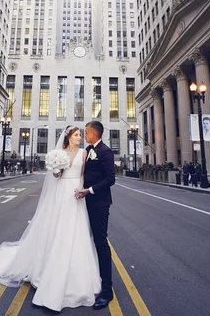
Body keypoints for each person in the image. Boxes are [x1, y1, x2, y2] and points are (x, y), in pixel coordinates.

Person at [0, 126, 101, 312]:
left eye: (81, 134)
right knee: (57, 229)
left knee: (76, 231)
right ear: (68, 137)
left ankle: (78, 277)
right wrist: (56, 169)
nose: (80, 137)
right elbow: (56, 176)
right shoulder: (60, 153)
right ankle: (47, 268)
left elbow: (82, 176)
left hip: (75, 193)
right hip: (60, 192)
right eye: (76, 135)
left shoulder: (84, 153)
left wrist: (81, 189)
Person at [75, 120, 116, 310]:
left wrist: (89, 190)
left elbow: (110, 179)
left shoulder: (106, 152)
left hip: (99, 204)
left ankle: (107, 290)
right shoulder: (89, 150)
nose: (85, 134)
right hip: (85, 202)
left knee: (100, 242)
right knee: (86, 241)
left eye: (87, 132)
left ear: (95, 133)